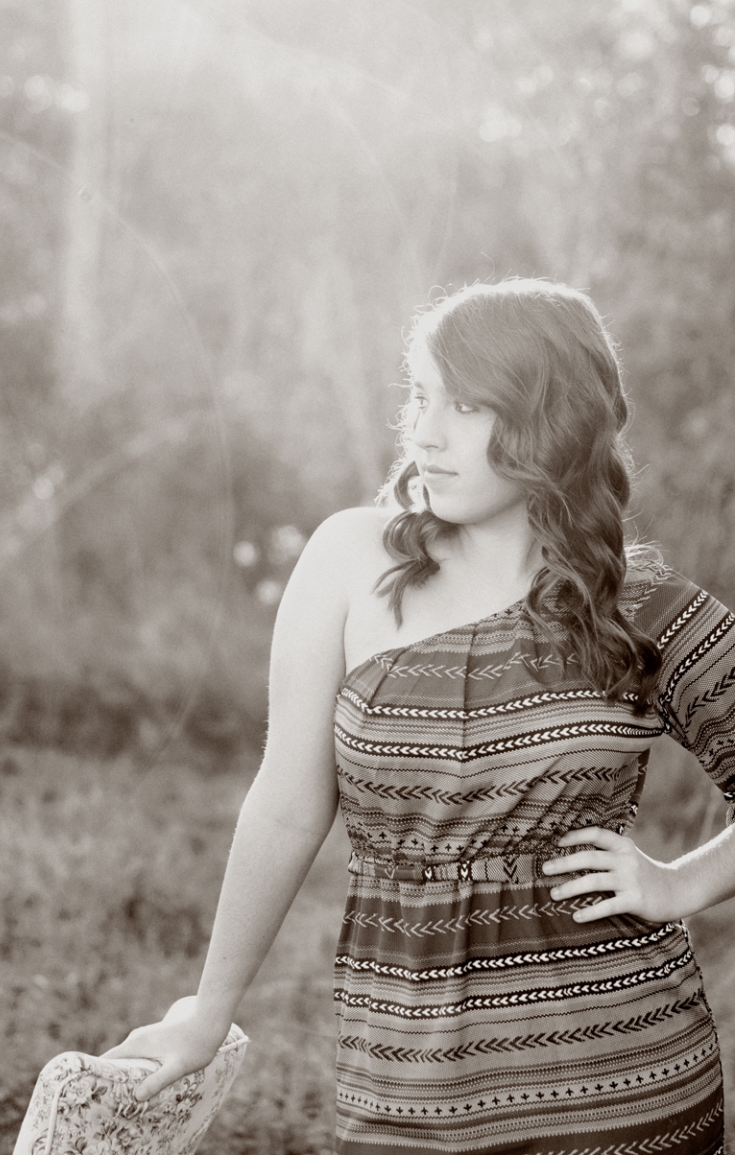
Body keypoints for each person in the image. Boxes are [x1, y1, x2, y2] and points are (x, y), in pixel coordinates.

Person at [103, 278, 735, 1154]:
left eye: (466, 406)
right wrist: (208, 1011)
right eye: (420, 397)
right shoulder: (349, 557)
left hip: (621, 1087)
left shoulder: (638, 605)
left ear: (551, 418)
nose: (425, 433)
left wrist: (682, 883)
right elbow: (286, 803)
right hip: (403, 1085)